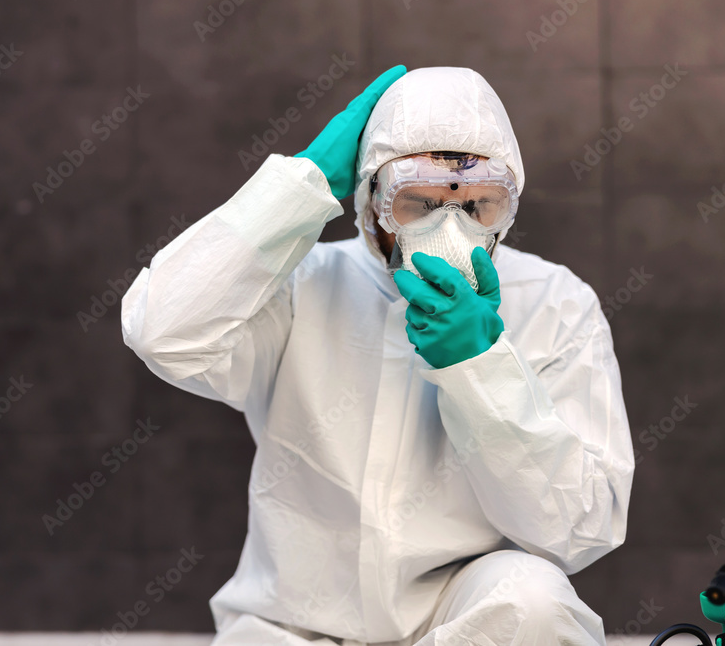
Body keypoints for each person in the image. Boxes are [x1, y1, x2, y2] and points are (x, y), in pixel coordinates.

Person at [120, 65, 635, 645]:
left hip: (453, 620)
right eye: (418, 203)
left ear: (508, 205)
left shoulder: (554, 302)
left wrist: (482, 369)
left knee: (535, 603)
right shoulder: (299, 285)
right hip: (293, 624)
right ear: (371, 200)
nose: (450, 229)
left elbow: (581, 527)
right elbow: (162, 333)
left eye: (478, 205)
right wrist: (299, 188)